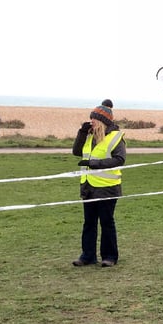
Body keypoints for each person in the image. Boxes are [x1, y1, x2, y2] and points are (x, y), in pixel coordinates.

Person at [71, 103, 126, 267]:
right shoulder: (88, 135)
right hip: (88, 187)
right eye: (91, 118)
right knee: (89, 222)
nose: (91, 121)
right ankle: (87, 256)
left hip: (107, 187)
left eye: (94, 118)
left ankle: (110, 256)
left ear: (102, 121)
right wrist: (81, 132)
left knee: (106, 222)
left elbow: (120, 159)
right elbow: (76, 151)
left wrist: (95, 163)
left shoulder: (116, 137)